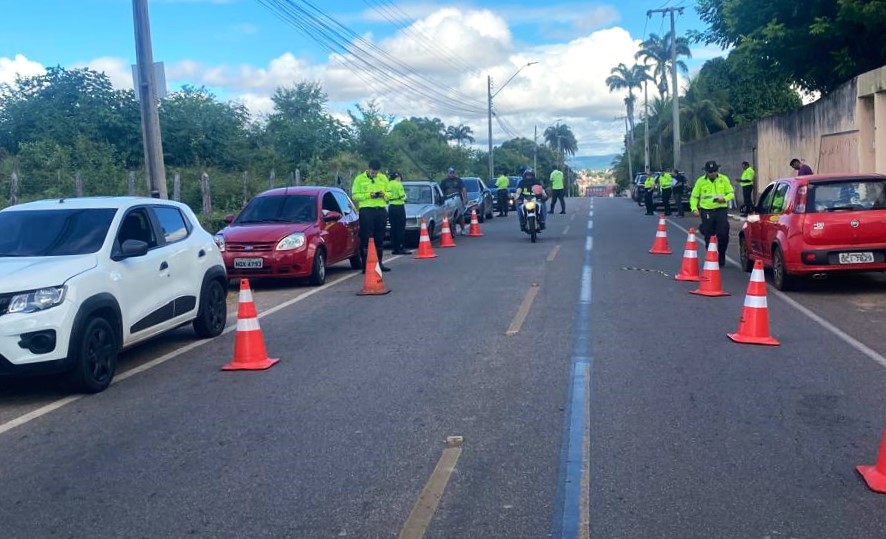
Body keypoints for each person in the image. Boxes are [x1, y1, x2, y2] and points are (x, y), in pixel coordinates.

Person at [689, 160, 735, 267]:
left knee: (723, 234)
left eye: (714, 171)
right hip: (707, 211)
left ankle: (721, 255)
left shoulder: (723, 179)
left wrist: (724, 198)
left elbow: (731, 193)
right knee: (709, 236)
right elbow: (694, 196)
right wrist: (693, 208)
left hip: (721, 210)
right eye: (710, 172)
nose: (712, 173)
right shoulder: (700, 181)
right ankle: (711, 256)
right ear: (706, 172)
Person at [351, 159, 391, 273]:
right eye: (373, 172)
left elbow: (390, 193)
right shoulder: (359, 179)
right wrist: (369, 195)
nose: (374, 174)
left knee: (379, 238)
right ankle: (366, 266)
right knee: (366, 239)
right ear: (368, 169)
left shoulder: (383, 178)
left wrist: (384, 194)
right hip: (366, 211)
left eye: (376, 172)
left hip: (380, 211)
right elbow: (355, 196)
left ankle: (380, 263)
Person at [386, 172, 411, 255]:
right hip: (399, 206)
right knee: (401, 228)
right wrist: (405, 197)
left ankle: (394, 248)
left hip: (391, 207)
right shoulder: (398, 184)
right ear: (397, 177)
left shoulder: (388, 184)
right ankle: (401, 247)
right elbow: (402, 196)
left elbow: (386, 196)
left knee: (393, 228)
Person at [440, 167, 468, 235]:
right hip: (448, 201)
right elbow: (440, 191)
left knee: (461, 215)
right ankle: (453, 230)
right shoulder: (444, 181)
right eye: (450, 173)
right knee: (450, 216)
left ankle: (463, 229)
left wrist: (465, 198)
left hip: (458, 199)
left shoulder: (458, 180)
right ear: (448, 173)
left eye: (453, 173)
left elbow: (463, 189)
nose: (452, 174)